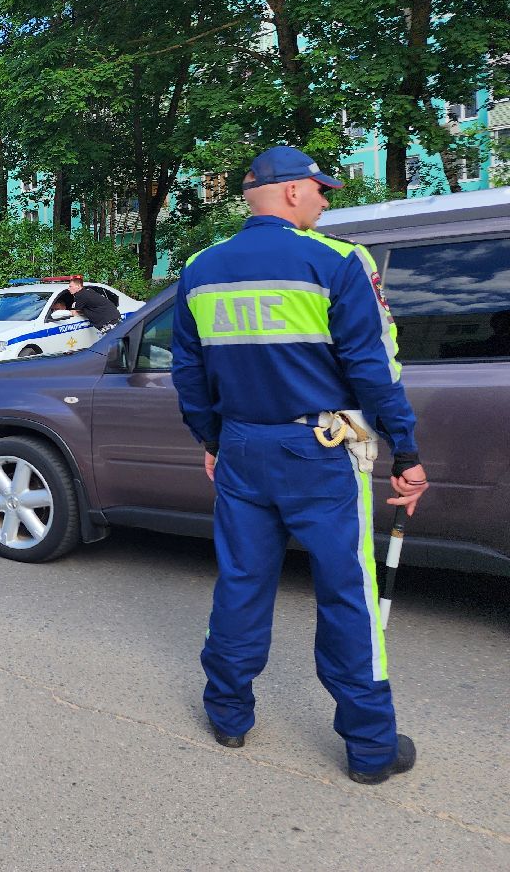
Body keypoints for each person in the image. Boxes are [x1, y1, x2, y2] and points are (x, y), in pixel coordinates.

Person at [171, 144, 430, 785]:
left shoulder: (201, 269)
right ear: (291, 190)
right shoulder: (337, 261)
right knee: (347, 593)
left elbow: (189, 374)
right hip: (320, 452)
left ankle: (228, 715)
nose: (323, 201)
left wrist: (213, 441)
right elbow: (373, 367)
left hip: (241, 447)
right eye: (319, 190)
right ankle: (371, 749)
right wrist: (405, 450)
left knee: (241, 582)